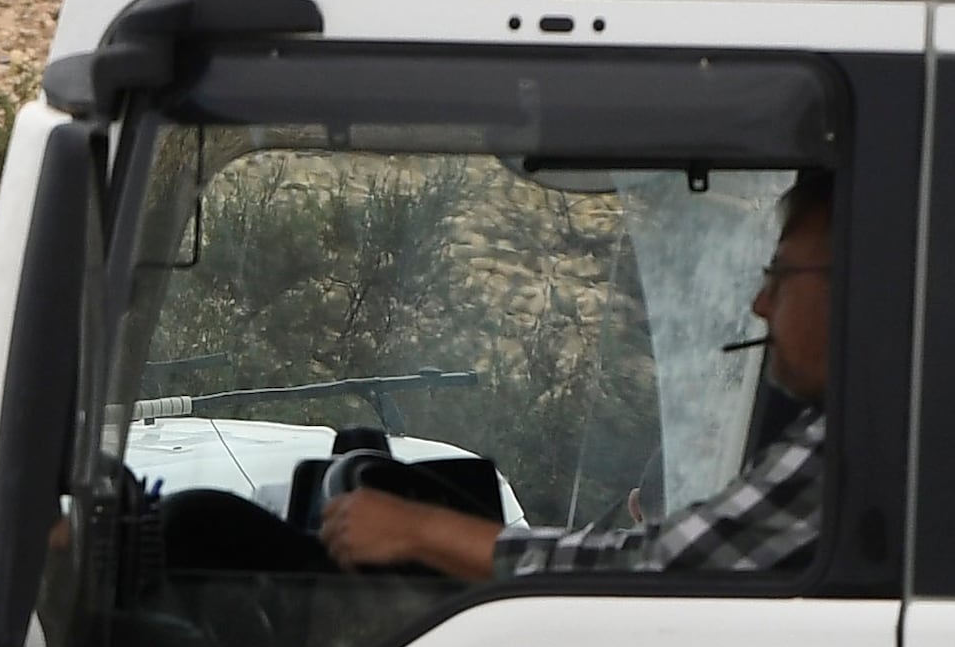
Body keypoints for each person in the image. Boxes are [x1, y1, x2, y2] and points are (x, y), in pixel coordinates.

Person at [322, 164, 844, 588]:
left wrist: (419, 530)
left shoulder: (847, 449)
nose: (760, 304)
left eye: (781, 275)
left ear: (854, 286)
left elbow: (660, 574)